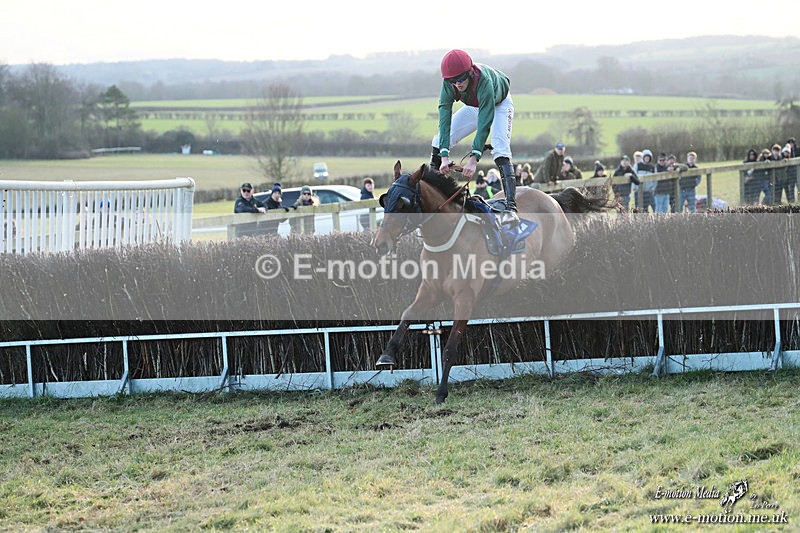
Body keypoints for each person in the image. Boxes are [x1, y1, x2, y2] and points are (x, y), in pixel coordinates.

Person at [431, 49, 518, 225]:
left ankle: (511, 208)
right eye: (452, 81)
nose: (457, 84)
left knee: (500, 147)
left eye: (461, 79)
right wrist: (444, 157)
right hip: (474, 104)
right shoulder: (450, 84)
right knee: (437, 140)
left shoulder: (484, 81)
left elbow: (484, 123)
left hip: (498, 102)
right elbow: (445, 119)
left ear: (469, 72)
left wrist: (473, 159)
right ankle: (432, 197)